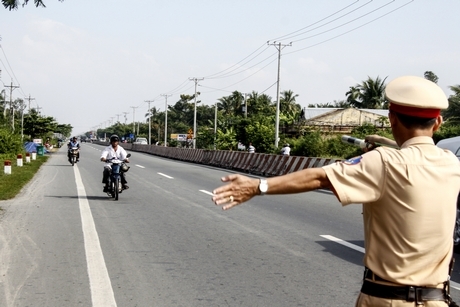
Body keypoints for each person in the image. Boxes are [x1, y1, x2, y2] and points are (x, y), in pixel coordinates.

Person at [211, 76, 460, 306]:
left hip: (389, 299)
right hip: (437, 299)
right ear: (438, 122)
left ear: (392, 118)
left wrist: (258, 186)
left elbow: (320, 177)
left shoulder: (383, 161)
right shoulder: (451, 163)